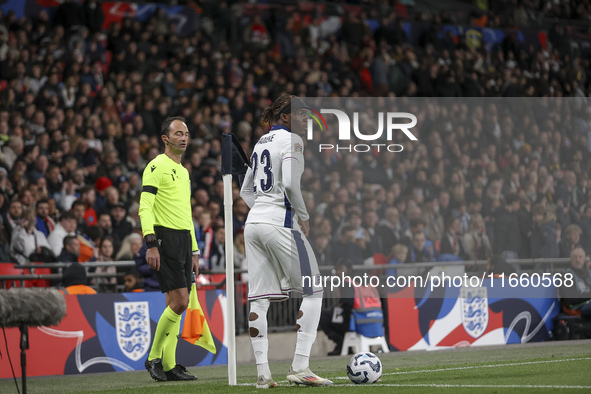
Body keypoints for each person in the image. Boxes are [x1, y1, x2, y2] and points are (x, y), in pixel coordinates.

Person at [240, 95, 331, 388]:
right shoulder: (291, 141)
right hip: (280, 222)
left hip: (253, 224)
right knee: (314, 289)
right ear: (285, 117)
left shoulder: (259, 143)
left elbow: (244, 191)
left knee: (259, 298)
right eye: (301, 114)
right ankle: (301, 366)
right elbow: (291, 184)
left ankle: (264, 374)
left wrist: (263, 210)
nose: (307, 119)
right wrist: (302, 216)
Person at [139, 116, 199, 382]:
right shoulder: (156, 166)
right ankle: (153, 358)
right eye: (178, 133)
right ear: (165, 139)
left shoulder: (184, 171)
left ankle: (171, 364)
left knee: (175, 305)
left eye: (186, 133)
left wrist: (195, 249)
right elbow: (145, 207)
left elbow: (186, 212)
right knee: (180, 302)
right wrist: (150, 243)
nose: (184, 137)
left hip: (184, 239)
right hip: (165, 239)